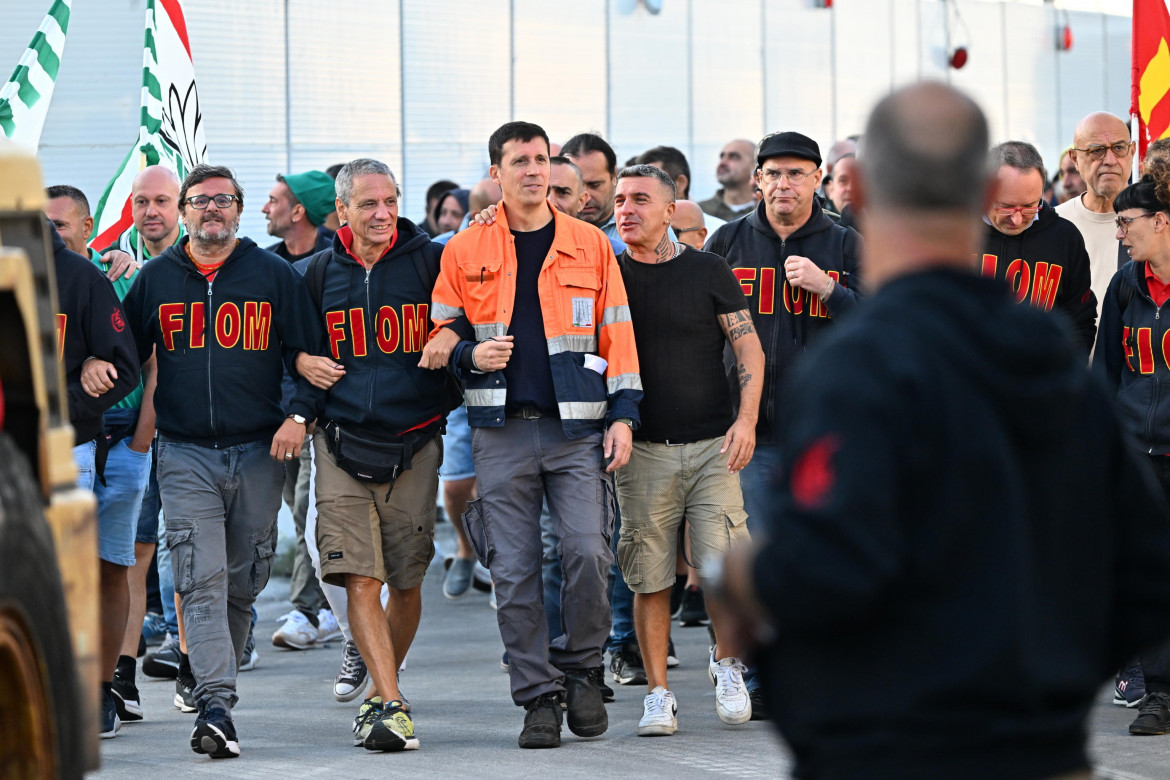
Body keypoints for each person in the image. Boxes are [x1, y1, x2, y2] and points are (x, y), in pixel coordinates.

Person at [719, 79, 1170, 780]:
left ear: (860, 187)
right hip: (1034, 747)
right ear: (983, 187)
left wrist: (739, 583)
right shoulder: (1046, 362)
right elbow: (1143, 566)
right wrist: (1043, 679)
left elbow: (823, 577)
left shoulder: (851, 370)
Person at [424, 120, 642, 749]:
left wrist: (625, 414)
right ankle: (538, 697)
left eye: (541, 159)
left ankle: (581, 670)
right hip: (500, 430)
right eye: (519, 160)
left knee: (586, 552)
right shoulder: (466, 248)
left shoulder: (589, 243)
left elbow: (617, 333)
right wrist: (469, 354)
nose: (533, 170)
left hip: (578, 430)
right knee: (514, 571)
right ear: (497, 172)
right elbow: (439, 337)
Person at [120, 163, 324, 759]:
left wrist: (298, 415)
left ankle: (213, 684)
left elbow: (309, 356)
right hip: (184, 453)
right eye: (201, 200)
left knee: (243, 582)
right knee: (198, 580)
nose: (213, 209)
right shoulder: (155, 280)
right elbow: (123, 353)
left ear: (238, 211)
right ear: (184, 212)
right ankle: (214, 705)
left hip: (261, 450)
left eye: (225, 200)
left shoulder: (273, 276)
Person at [704, 129, 863, 719]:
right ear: (758, 180)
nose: (785, 184)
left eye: (798, 173)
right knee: (759, 560)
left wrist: (831, 290)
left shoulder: (846, 245)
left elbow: (880, 324)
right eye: (775, 173)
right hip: (747, 434)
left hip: (823, 435)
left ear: (818, 180)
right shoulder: (728, 242)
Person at [611, 164, 764, 736]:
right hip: (642, 450)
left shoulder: (709, 269)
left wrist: (745, 422)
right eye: (621, 200)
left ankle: (727, 665)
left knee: (723, 569)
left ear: (670, 211)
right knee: (649, 576)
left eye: (640, 200)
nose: (625, 209)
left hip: (711, 447)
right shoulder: (609, 273)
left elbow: (748, 349)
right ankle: (658, 693)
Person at [47, 185, 161, 726]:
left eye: (61, 224)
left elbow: (140, 363)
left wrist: (139, 442)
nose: (52, 231)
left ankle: (103, 688)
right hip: (41, 446)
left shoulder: (97, 275)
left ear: (87, 228)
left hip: (90, 443)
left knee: (110, 568)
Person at [1094, 157, 1170, 736]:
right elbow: (1106, 371)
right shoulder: (1125, 285)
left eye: (1128, 223)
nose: (1120, 234)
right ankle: (1160, 694)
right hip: (1137, 456)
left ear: (1162, 221)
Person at [980, 141, 1097, 354]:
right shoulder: (955, 235)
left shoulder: (1064, 238)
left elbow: (1080, 322)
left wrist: (1061, 376)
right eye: (1005, 206)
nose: (1016, 219)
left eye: (1028, 206)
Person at [1056, 112, 1136, 326]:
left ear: (1132, 151)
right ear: (1075, 159)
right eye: (1096, 151)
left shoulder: (1158, 222)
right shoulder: (1054, 223)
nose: (1110, 161)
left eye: (1119, 148)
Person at [562, 132, 627, 252]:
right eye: (576, 186)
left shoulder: (644, 227)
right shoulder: (543, 228)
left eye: (595, 185)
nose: (585, 197)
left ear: (613, 176)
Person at [262, 170, 336, 263]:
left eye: (273, 201)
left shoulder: (335, 263)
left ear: (297, 212)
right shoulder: (265, 261)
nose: (264, 209)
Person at [700, 139, 757, 222]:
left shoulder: (766, 213)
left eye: (734, 157)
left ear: (755, 165)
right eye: (722, 157)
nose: (722, 163)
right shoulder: (701, 212)